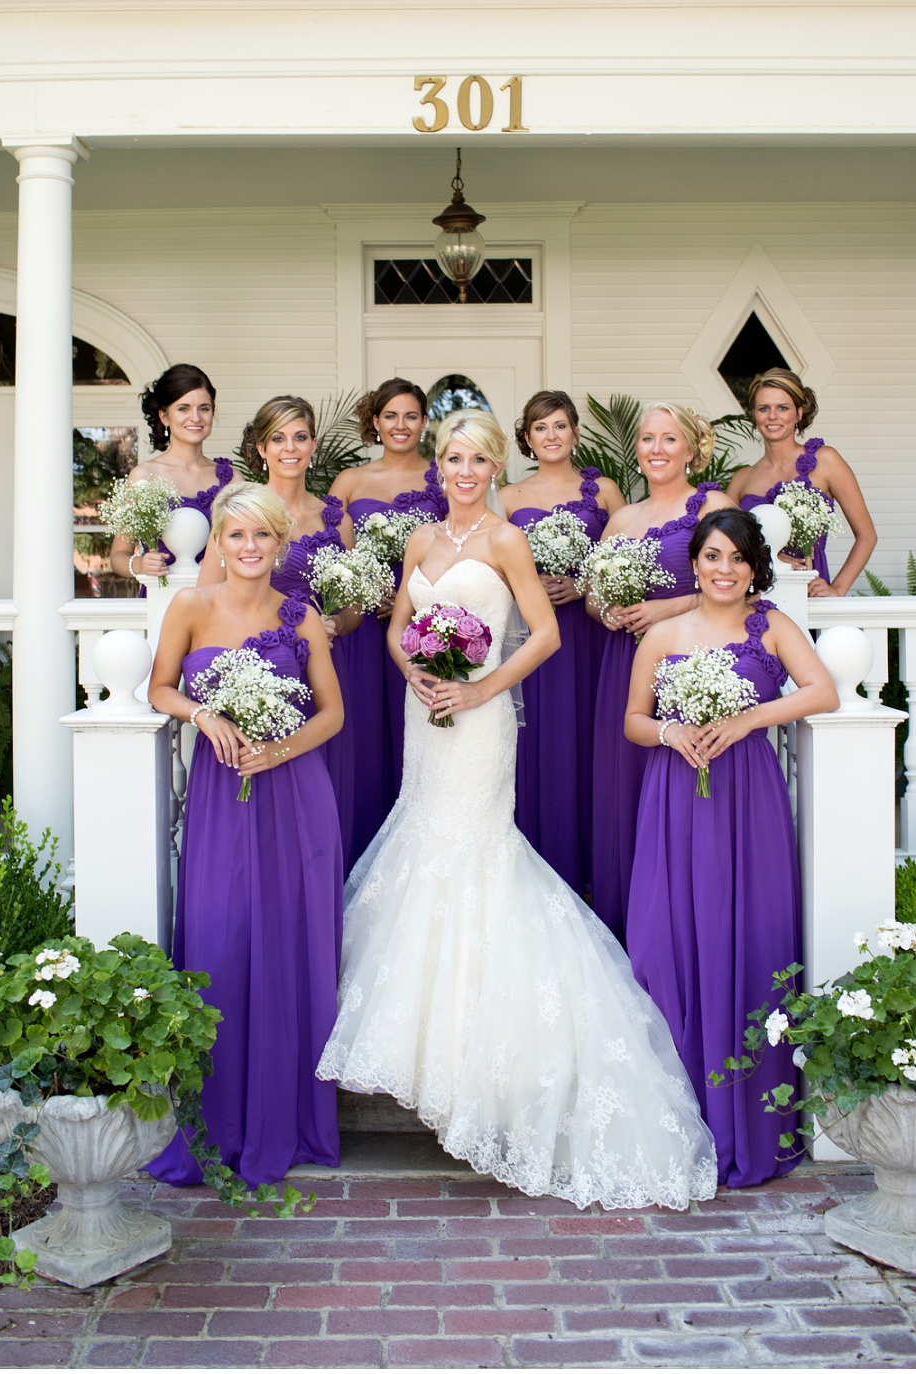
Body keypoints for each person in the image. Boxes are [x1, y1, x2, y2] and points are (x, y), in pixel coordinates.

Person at [317, 410, 718, 1212]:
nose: (465, 471)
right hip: (424, 716)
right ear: (440, 463)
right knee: (421, 835)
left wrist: (477, 687)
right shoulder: (421, 542)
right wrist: (418, 673)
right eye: (454, 458)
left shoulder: (506, 540)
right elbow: (398, 625)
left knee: (475, 845)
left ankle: (483, 1043)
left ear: (496, 467)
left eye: (478, 460)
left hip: (481, 717)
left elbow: (543, 636)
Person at [624, 508, 838, 1187]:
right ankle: (679, 1116)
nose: (724, 569)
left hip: (749, 800)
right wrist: (669, 734)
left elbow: (823, 692)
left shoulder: (771, 626)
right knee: (672, 941)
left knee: (751, 937)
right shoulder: (661, 634)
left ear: (755, 568)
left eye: (738, 559)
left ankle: (749, 1116)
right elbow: (632, 720)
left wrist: (747, 718)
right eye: (713, 556)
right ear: (695, 562)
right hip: (675, 798)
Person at [146, 481, 344, 1185]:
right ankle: (220, 1120)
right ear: (220, 544)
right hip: (222, 799)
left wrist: (280, 748)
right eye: (236, 535)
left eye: (262, 535)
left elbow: (331, 715)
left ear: (279, 542)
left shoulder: (302, 616)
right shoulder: (191, 606)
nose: (250, 547)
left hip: (294, 797)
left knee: (290, 945)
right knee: (222, 938)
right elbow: (161, 688)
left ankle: (284, 1120)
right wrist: (206, 717)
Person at [586, 403, 736, 943]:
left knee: (680, 789)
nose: (655, 448)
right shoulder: (623, 518)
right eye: (648, 439)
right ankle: (627, 926)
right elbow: (592, 596)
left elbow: (736, 580)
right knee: (622, 786)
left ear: (692, 449)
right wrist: (611, 611)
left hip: (687, 663)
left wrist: (660, 610)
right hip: (624, 662)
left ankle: (682, 923)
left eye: (668, 439)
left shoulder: (712, 505)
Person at [200, 395, 360, 870]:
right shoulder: (236, 511)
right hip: (258, 678)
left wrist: (335, 621)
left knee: (323, 800)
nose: (290, 448)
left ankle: (320, 903)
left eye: (300, 437)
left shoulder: (336, 518)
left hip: (324, 672)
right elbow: (210, 600)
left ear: (313, 444)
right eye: (278, 438)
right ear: (261, 447)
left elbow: (353, 606)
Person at [504, 391, 624, 894]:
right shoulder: (507, 497)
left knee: (591, 742)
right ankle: (538, 877)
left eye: (559, 425)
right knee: (540, 745)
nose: (550, 435)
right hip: (535, 639)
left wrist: (583, 586)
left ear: (575, 433)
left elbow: (626, 562)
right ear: (527, 439)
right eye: (540, 427)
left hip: (591, 635)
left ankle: (595, 876)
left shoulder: (606, 491)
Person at [330, 378, 447, 859]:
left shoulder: (444, 475)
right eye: (391, 416)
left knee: (419, 744)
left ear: (424, 422)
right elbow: (331, 558)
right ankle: (361, 859)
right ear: (375, 422)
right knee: (366, 745)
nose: (401, 426)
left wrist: (409, 596)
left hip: (427, 632)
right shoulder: (350, 482)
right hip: (362, 631)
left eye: (412, 416)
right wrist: (362, 589)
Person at [727, 368, 877, 596]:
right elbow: (721, 544)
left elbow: (867, 535)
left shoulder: (825, 461)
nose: (772, 416)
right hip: (756, 595)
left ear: (799, 413)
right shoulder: (742, 479)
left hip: (809, 593)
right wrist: (763, 555)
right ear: (755, 416)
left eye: (783, 408)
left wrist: (837, 588)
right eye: (764, 408)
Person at [109, 363, 233, 590]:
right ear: (164, 416)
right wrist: (139, 564)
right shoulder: (143, 477)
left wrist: (225, 563)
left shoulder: (232, 479)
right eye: (184, 408)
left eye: (204, 408)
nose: (195, 417)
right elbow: (118, 556)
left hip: (217, 602)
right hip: (161, 600)